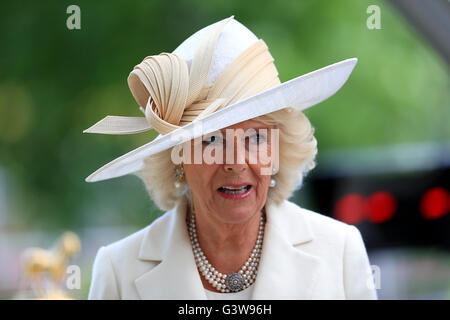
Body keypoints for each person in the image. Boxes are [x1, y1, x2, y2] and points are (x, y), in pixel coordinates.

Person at [85, 16, 377, 299]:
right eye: (212, 140)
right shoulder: (118, 271)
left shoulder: (339, 252)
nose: (236, 162)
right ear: (178, 161)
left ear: (278, 152)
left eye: (256, 138)